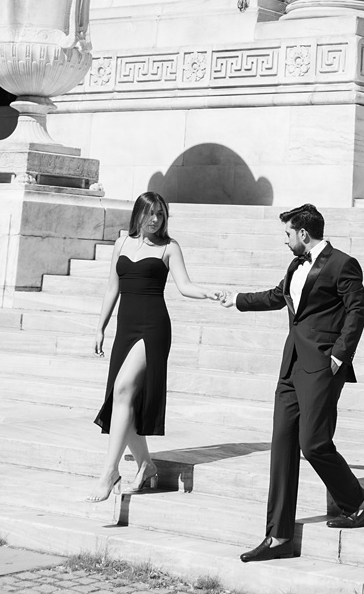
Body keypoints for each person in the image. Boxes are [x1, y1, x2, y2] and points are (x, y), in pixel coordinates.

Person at [218, 202, 364, 561]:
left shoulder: (343, 264)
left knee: (314, 443)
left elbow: (358, 309)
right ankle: (278, 538)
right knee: (283, 445)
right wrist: (236, 299)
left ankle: (358, 504)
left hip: (322, 366)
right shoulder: (295, 264)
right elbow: (280, 297)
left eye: (288, 234)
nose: (285, 241)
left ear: (303, 233)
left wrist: (339, 354)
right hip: (290, 366)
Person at [88, 190, 219, 501]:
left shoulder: (169, 248)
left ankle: (109, 471)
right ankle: (146, 465)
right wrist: (100, 328)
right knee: (126, 402)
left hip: (153, 329)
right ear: (139, 214)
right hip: (125, 329)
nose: (157, 219)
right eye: (152, 214)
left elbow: (184, 285)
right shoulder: (122, 243)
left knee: (122, 391)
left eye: (161, 214)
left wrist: (208, 293)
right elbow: (111, 289)